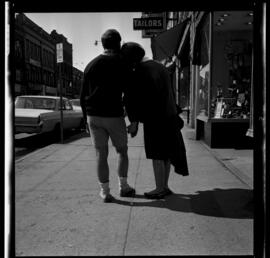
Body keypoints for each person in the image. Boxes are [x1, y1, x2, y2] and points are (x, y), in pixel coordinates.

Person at [121, 42, 189, 199]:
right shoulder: (159, 67)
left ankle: (159, 188)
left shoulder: (141, 71)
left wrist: (134, 122)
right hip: (168, 117)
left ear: (131, 58)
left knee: (157, 154)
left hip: (155, 119)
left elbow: (138, 99)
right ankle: (164, 186)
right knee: (165, 154)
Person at [80, 29, 135, 203]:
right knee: (122, 151)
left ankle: (104, 191)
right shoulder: (122, 64)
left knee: (100, 154)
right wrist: (133, 121)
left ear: (103, 44)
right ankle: (124, 187)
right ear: (118, 44)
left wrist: (85, 119)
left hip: (93, 116)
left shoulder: (90, 65)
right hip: (113, 115)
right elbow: (129, 95)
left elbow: (82, 96)